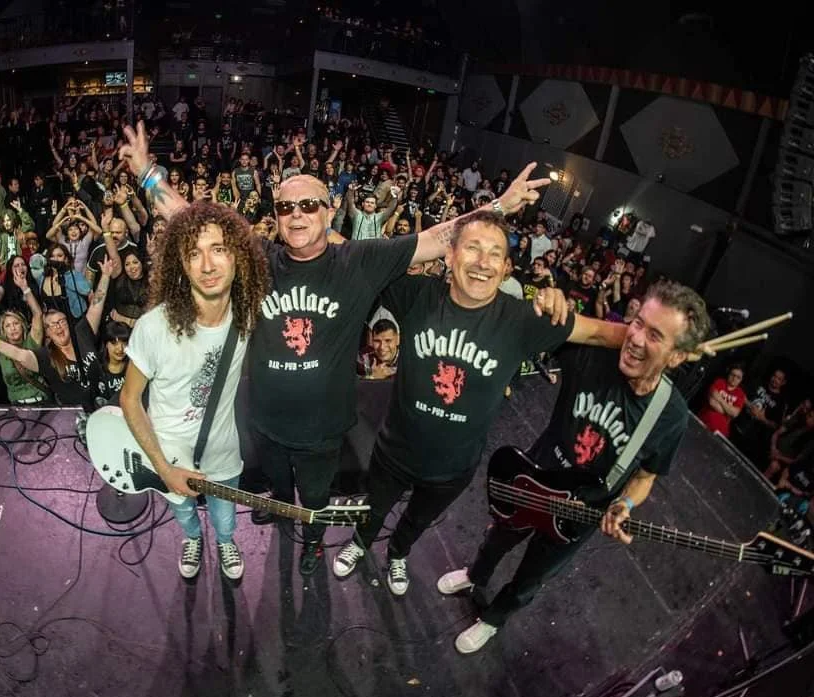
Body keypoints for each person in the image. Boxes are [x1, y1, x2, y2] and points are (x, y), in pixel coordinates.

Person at [115, 119, 549, 574]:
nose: (297, 215)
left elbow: (436, 239)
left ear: (329, 210)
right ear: (276, 215)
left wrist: (499, 206)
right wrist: (147, 173)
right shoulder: (260, 258)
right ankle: (282, 512)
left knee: (316, 499)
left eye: (309, 205)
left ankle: (313, 542)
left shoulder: (359, 261)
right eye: (286, 207)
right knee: (279, 488)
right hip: (265, 423)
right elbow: (192, 221)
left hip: (322, 433)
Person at [331, 214, 635, 594]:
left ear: (506, 268)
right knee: (374, 509)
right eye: (472, 248)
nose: (482, 262)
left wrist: (662, 341)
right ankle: (360, 543)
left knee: (417, 520)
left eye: (495, 254)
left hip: (453, 467)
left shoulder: (522, 319)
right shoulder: (418, 295)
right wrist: (315, 224)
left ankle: (397, 554)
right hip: (395, 451)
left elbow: (602, 334)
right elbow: (357, 258)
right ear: (450, 255)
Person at [436, 280, 711, 653]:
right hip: (533, 476)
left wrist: (625, 504)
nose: (635, 339)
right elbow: (540, 327)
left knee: (532, 576)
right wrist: (549, 301)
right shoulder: (592, 355)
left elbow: (646, 476)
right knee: (498, 535)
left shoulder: (670, 415)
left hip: (579, 512)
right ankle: (475, 576)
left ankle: (493, 619)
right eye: (637, 323)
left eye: (655, 335)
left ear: (677, 357)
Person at [118, 202, 269, 581]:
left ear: (238, 257)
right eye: (193, 254)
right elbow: (129, 399)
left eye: (218, 249)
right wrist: (163, 468)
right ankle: (191, 538)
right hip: (168, 454)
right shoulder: (153, 328)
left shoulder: (248, 314)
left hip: (222, 452)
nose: (207, 265)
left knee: (225, 517)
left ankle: (225, 541)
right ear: (181, 265)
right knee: (184, 513)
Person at [0, 259, 114, 430]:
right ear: (47, 333)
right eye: (52, 325)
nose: (58, 327)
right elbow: (20, 355)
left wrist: (106, 275)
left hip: (104, 409)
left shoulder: (82, 334)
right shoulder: (46, 356)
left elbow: (96, 305)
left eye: (61, 321)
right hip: (72, 420)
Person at [697, 365, 746, 437]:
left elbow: (734, 413)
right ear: (728, 374)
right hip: (704, 422)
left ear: (741, 380)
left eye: (738, 377)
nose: (734, 378)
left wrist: (720, 399)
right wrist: (728, 413)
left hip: (720, 433)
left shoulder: (741, 394)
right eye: (733, 375)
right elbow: (712, 402)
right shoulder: (719, 382)